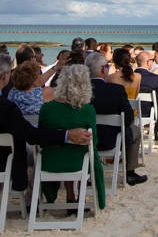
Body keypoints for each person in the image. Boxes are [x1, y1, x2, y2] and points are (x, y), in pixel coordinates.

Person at [0, 54, 92, 200]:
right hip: (4, 161)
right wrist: (66, 135)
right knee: (38, 154)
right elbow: (30, 134)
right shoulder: (5, 106)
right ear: (5, 76)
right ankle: (30, 197)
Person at [37, 64, 106, 209]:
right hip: (77, 162)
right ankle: (80, 196)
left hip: (50, 161)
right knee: (85, 150)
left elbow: (41, 136)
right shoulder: (87, 109)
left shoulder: (47, 108)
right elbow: (93, 140)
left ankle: (70, 195)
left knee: (72, 150)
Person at [85, 53, 146, 185]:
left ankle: (88, 173)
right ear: (103, 69)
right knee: (136, 131)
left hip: (85, 139)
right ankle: (130, 172)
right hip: (111, 139)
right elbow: (129, 117)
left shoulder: (80, 90)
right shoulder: (115, 90)